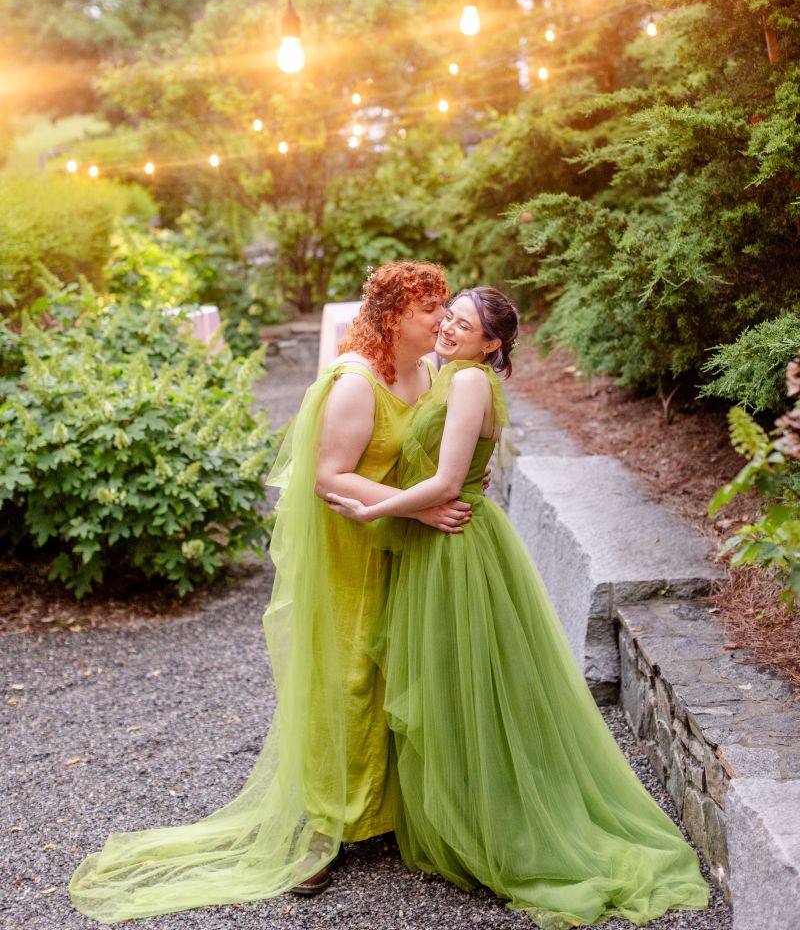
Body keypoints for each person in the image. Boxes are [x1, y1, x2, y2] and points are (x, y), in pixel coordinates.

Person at [69, 260, 470, 923]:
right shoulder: (352, 384)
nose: (443, 318)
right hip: (353, 550)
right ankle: (323, 825)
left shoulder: (429, 374)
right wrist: (415, 507)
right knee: (344, 680)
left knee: (402, 673)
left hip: (409, 549)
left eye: (445, 305)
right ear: (395, 316)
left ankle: (390, 810)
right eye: (431, 308)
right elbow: (326, 478)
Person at [325, 287, 711, 929]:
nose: (449, 328)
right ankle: (457, 810)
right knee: (448, 683)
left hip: (455, 546)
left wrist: (375, 507)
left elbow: (448, 483)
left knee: (470, 684)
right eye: (446, 317)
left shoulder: (471, 382)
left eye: (464, 324)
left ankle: (494, 824)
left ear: (491, 344)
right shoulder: (447, 377)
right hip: (435, 543)